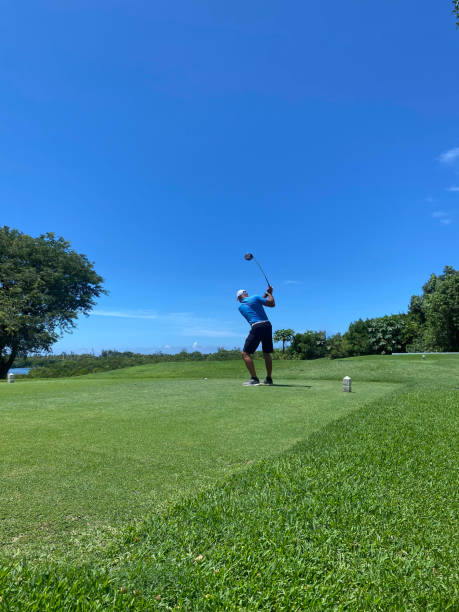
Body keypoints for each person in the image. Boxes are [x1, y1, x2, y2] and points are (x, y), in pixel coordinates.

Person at [236, 286, 275, 386]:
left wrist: (268, 294)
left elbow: (272, 304)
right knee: (266, 353)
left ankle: (254, 379)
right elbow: (262, 302)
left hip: (257, 326)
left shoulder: (240, 307)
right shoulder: (255, 298)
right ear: (246, 294)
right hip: (267, 325)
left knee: (245, 354)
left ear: (239, 297)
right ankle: (269, 379)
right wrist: (269, 293)